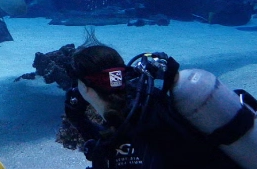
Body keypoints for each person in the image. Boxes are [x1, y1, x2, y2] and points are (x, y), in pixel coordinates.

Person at [64, 37, 241, 169]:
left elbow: (117, 146)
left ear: (85, 88)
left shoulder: (135, 132)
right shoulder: (146, 103)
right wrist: (78, 119)